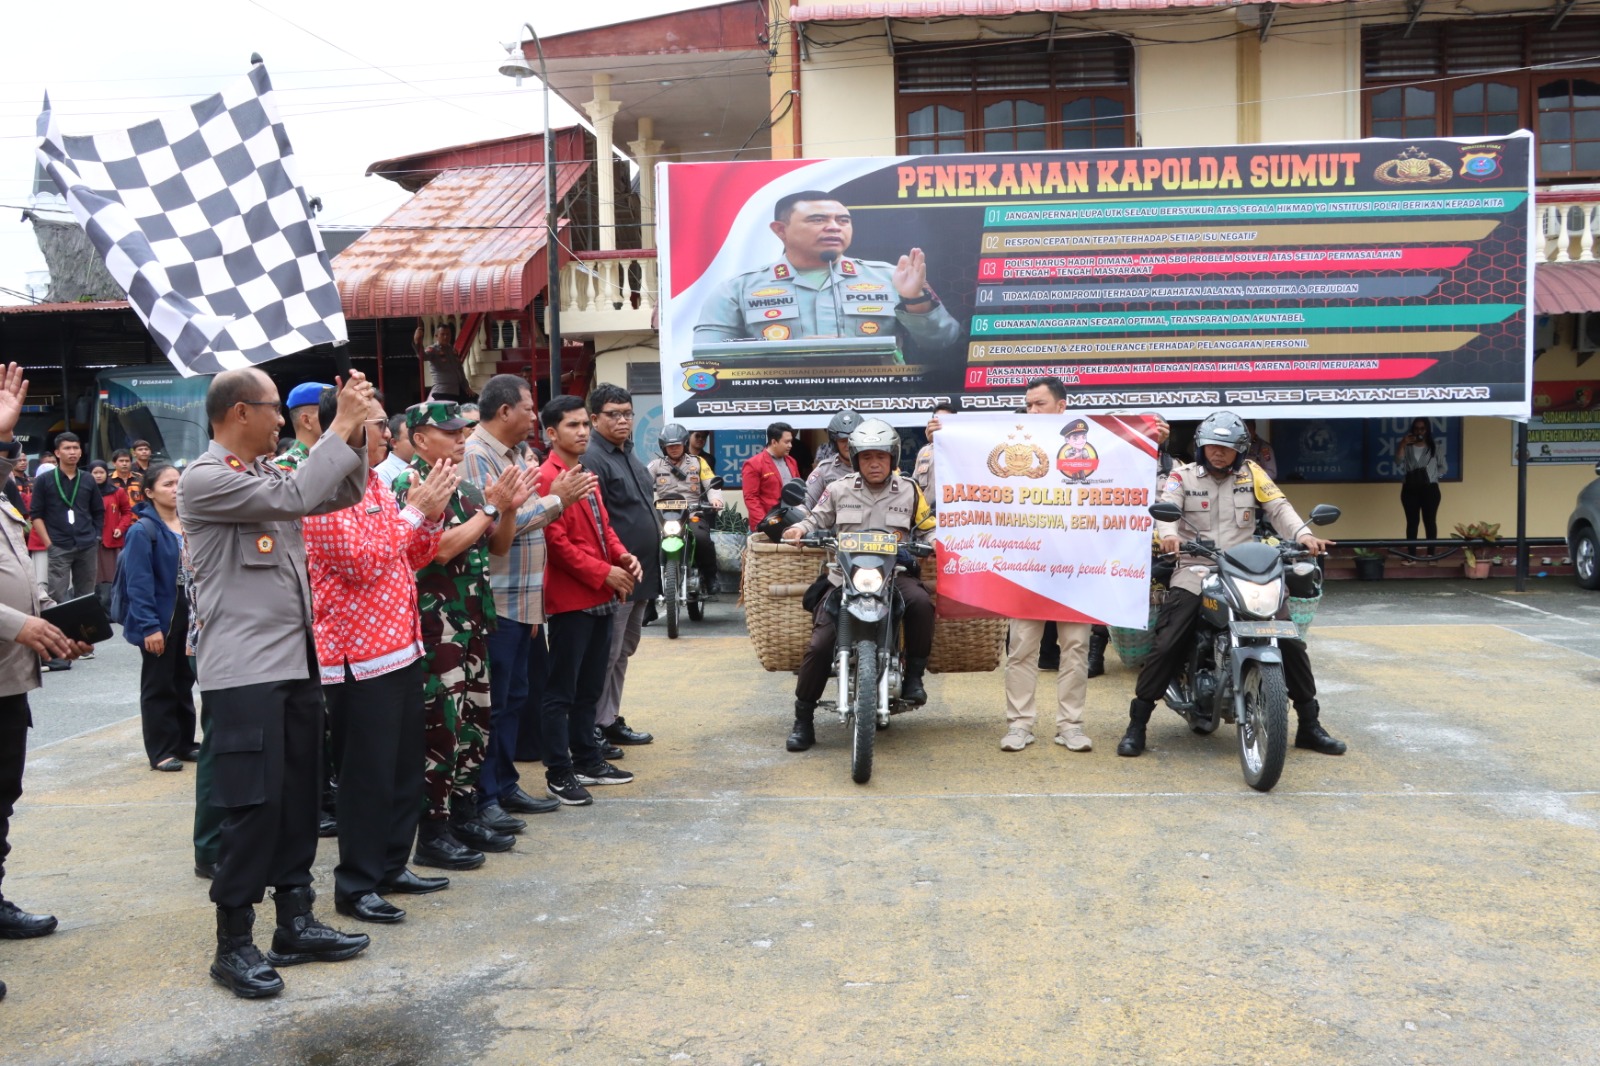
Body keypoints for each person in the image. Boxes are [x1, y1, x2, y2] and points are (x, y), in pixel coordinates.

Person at [178, 367, 375, 1000]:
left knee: (297, 799)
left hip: (293, 663)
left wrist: (355, 432)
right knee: (252, 807)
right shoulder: (206, 478)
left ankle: (294, 921)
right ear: (240, 412)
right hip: (243, 673)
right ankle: (234, 942)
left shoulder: (264, 475)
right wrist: (340, 426)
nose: (281, 421)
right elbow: (294, 498)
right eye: (272, 408)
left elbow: (340, 493)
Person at [302, 390, 456, 923]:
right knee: (366, 777)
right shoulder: (325, 491)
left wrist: (429, 518)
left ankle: (391, 865)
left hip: (400, 647)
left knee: (402, 769)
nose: (388, 434)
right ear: (346, 428)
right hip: (358, 658)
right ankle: (357, 884)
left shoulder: (375, 484)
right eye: (376, 425)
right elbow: (361, 564)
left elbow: (409, 556)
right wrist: (416, 511)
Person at [1116, 410, 1347, 759]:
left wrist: (1304, 535)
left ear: (1239, 450)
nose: (1218, 452)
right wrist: (1169, 536)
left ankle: (1309, 724)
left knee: (1290, 640)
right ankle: (1138, 724)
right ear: (1200, 447)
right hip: (1196, 567)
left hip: (1246, 569)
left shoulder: (1252, 474)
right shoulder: (1182, 475)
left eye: (1226, 448)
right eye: (1212, 446)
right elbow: (1167, 507)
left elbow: (1279, 508)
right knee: (1168, 642)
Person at [393, 401, 541, 868]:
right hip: (436, 628)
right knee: (440, 728)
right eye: (450, 432)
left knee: (473, 724)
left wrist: (508, 509)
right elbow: (438, 550)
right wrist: (493, 507)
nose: (461, 438)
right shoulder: (411, 485)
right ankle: (432, 832)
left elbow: (498, 546)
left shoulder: (468, 488)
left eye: (463, 431)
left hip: (473, 622)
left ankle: (463, 812)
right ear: (420, 439)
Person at [461, 375, 595, 831]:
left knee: (515, 697)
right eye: (528, 408)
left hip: (521, 600)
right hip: (496, 600)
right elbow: (496, 526)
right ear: (504, 412)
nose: (534, 416)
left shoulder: (516, 454)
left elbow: (522, 513)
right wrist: (558, 500)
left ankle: (505, 784)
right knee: (494, 703)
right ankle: (485, 795)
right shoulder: (476, 455)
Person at [0, 363, 93, 993]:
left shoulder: (6, 499)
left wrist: (54, 626)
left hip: (9, 680)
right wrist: (19, 625)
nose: (11, 457)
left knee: (3, 797)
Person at [781, 418, 935, 751]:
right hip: (845, 578)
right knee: (820, 644)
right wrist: (799, 530)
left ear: (893, 458)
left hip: (893, 576)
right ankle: (803, 719)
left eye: (881, 456)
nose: (874, 463)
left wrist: (936, 542)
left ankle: (914, 677)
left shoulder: (910, 489)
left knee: (922, 603)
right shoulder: (838, 489)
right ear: (855, 458)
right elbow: (815, 518)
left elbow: (927, 526)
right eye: (866, 457)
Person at [694, 190, 963, 360]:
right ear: (780, 230)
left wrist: (915, 301)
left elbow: (943, 343)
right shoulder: (738, 288)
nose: (834, 227)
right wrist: (789, 351)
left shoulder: (891, 277)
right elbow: (708, 357)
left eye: (843, 221)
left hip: (874, 403)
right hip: (778, 408)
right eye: (818, 220)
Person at [537, 395, 642, 805]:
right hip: (570, 600)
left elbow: (604, 528)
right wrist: (604, 572)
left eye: (584, 424)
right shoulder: (548, 478)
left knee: (590, 687)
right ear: (551, 433)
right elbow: (556, 544)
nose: (582, 432)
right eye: (572, 425)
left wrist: (622, 556)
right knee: (561, 691)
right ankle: (558, 772)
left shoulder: (583, 472)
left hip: (600, 596)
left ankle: (587, 759)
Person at [1000, 378, 1094, 754]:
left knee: (1076, 647)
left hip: (1076, 565)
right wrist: (940, 437)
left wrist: (1156, 440)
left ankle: (1071, 725)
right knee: (1022, 648)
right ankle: (1019, 724)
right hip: (1027, 565)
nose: (1032, 411)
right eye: (1028, 405)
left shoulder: (1088, 447)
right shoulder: (1012, 444)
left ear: (1061, 406)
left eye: (1039, 404)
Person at [583, 384, 661, 750]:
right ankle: (591, 727)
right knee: (606, 654)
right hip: (615, 575)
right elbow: (595, 523)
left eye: (627, 413)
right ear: (594, 418)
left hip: (641, 574)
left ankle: (608, 718)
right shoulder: (593, 457)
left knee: (623, 651)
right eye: (613, 414)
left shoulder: (628, 454)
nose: (623, 420)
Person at [120, 464, 198, 773]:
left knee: (184, 679)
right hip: (159, 616)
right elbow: (138, 584)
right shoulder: (143, 531)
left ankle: (185, 742)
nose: (175, 489)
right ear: (149, 493)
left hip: (188, 611)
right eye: (167, 484)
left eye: (178, 482)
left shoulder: (190, 523)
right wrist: (150, 627)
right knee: (159, 684)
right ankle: (162, 750)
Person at [30, 431, 105, 622]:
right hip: (58, 545)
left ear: (81, 451)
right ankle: (60, 635)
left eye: (75, 448)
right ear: (57, 452)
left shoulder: (87, 478)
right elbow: (36, 515)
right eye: (67, 448)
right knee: (57, 595)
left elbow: (98, 511)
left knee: (86, 594)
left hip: (87, 544)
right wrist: (49, 544)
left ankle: (85, 635)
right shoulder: (44, 480)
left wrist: (96, 536)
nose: (72, 452)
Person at [647, 423, 725, 596]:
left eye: (677, 445)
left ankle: (710, 577)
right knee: (648, 542)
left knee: (701, 538)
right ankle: (649, 591)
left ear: (684, 444)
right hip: (664, 516)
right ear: (663, 447)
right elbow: (641, 485)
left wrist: (715, 500)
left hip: (692, 513)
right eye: (670, 446)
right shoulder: (655, 465)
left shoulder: (698, 462)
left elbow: (711, 483)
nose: (674, 449)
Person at [1396, 417, 1445, 557]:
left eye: (1422, 428)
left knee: (1430, 521)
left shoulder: (1435, 446)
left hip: (1430, 488)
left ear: (1427, 429)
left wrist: (1433, 476)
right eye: (1416, 428)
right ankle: (1411, 555)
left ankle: (1431, 555)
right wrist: (1402, 443)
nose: (1419, 431)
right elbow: (1398, 461)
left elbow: (1443, 467)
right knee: (1412, 522)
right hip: (1410, 488)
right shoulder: (1408, 446)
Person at [91, 460, 135, 614]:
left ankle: (113, 610)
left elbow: (127, 512)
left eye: (101, 472)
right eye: (95, 473)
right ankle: (96, 611)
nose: (98, 476)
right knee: (93, 576)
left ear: (107, 474)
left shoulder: (117, 492)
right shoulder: (86, 491)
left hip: (111, 539)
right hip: (91, 540)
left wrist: (120, 528)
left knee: (113, 575)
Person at [805, 410, 863, 508]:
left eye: (852, 440)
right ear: (835, 443)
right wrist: (801, 511)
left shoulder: (873, 467)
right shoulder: (824, 470)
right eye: (843, 441)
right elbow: (807, 499)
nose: (848, 445)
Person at [741, 422, 798, 522]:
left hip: (790, 520)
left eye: (791, 442)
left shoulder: (791, 461)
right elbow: (751, 498)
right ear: (774, 442)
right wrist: (765, 523)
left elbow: (797, 490)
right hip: (767, 522)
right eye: (786, 442)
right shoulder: (753, 464)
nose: (790, 445)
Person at [274, 382, 332, 472]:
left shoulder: (334, 457)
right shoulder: (286, 465)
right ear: (306, 421)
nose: (340, 419)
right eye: (331, 413)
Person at [414, 320, 472, 403]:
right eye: (442, 334)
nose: (445, 337)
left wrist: (466, 386)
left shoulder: (452, 350)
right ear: (436, 336)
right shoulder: (433, 349)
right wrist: (417, 342)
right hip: (443, 391)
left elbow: (460, 369)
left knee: (476, 401)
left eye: (448, 334)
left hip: (457, 389)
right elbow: (422, 356)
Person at [911, 402, 955, 496]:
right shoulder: (924, 452)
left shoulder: (961, 450)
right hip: (927, 505)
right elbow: (915, 487)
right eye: (937, 420)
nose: (941, 424)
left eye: (946, 420)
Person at [375, 413, 413, 490]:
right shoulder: (381, 473)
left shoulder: (427, 466)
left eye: (419, 437)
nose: (418, 442)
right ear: (394, 443)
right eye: (411, 438)